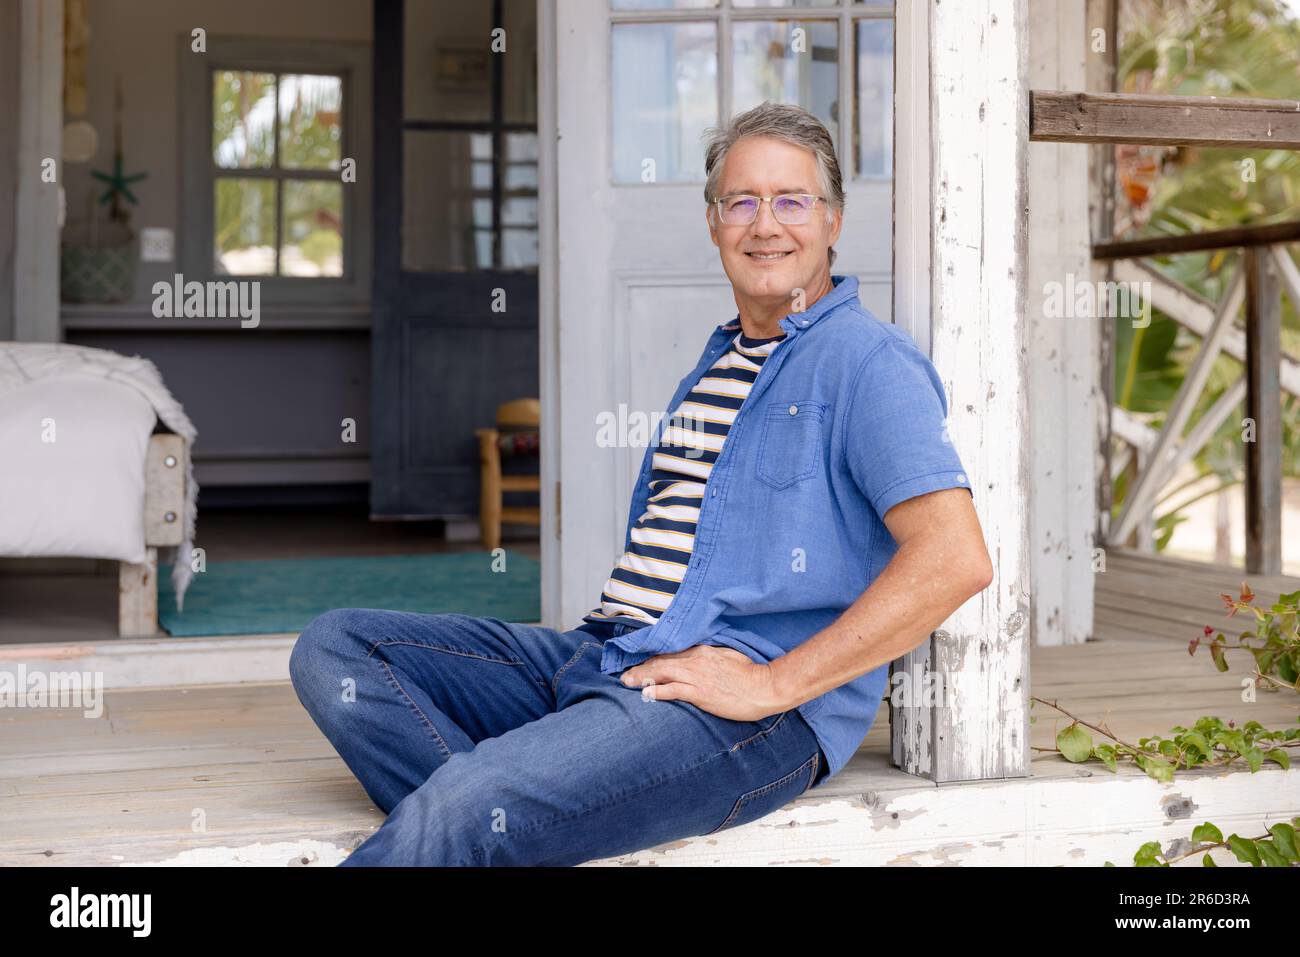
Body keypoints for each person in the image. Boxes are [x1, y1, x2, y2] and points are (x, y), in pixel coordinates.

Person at [290, 101, 993, 866]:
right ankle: (509, 815)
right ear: (713, 221)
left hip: (733, 717)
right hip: (602, 655)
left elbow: (954, 559)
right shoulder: (722, 361)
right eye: (741, 202)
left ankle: (485, 809)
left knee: (467, 801)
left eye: (791, 200)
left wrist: (772, 683)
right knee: (340, 650)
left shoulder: (867, 361)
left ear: (832, 220)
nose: (765, 224)